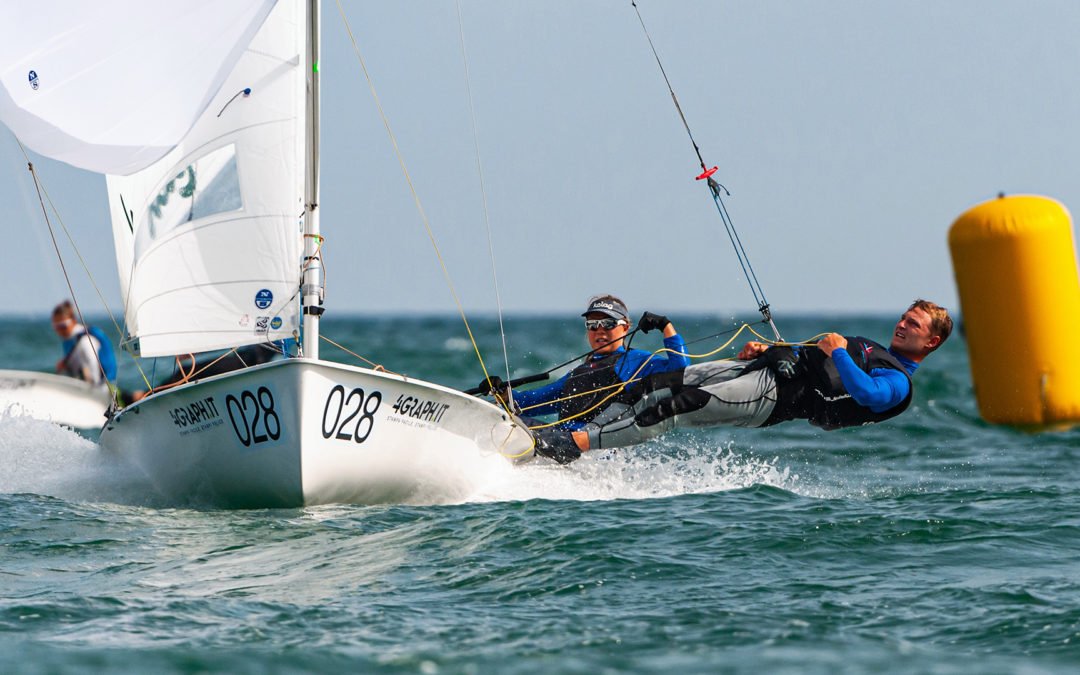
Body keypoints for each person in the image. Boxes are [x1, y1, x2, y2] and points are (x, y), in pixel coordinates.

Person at [543, 299, 952, 459]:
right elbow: (809, 358)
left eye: (912, 324)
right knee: (655, 383)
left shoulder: (899, 382)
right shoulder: (875, 350)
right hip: (763, 371)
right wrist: (767, 352)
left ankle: (574, 445)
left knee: (674, 407)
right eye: (903, 317)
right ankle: (575, 429)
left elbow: (865, 393)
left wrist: (839, 351)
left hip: (772, 399)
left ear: (930, 341)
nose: (901, 324)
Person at [479, 295, 691, 462]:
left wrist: (665, 326)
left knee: (508, 429)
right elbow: (530, 403)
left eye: (608, 324)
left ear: (625, 327)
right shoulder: (580, 372)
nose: (599, 330)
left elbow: (680, 371)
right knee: (500, 422)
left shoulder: (638, 362)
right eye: (592, 325)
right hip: (560, 442)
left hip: (591, 450)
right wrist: (502, 392)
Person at [52, 300, 117, 389]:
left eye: (63, 326)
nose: (59, 330)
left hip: (104, 388)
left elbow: (94, 374)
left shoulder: (85, 341)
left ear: (74, 321)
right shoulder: (69, 340)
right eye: (56, 327)